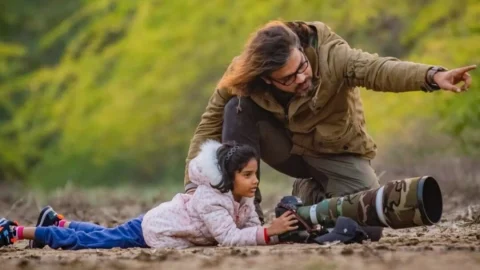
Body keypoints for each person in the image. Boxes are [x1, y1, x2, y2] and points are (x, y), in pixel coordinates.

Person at [184, 20, 476, 226]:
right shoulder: (243, 75)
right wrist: (192, 190)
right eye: (288, 78)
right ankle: (247, 216)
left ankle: (308, 197)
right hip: (287, 150)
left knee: (368, 224)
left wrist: (432, 76)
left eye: (302, 67)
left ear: (301, 49)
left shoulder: (331, 54)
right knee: (236, 108)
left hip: (337, 151)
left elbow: (379, 69)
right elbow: (208, 127)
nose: (301, 78)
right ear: (266, 78)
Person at [0, 141, 299, 250]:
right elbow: (229, 237)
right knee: (91, 242)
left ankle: (56, 222)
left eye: (255, 174)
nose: (255, 181)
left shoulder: (241, 198)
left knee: (106, 234)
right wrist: (267, 231)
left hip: (158, 227)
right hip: (153, 230)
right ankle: (17, 231)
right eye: (247, 175)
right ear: (228, 178)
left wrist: (271, 232)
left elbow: (246, 230)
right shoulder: (211, 200)